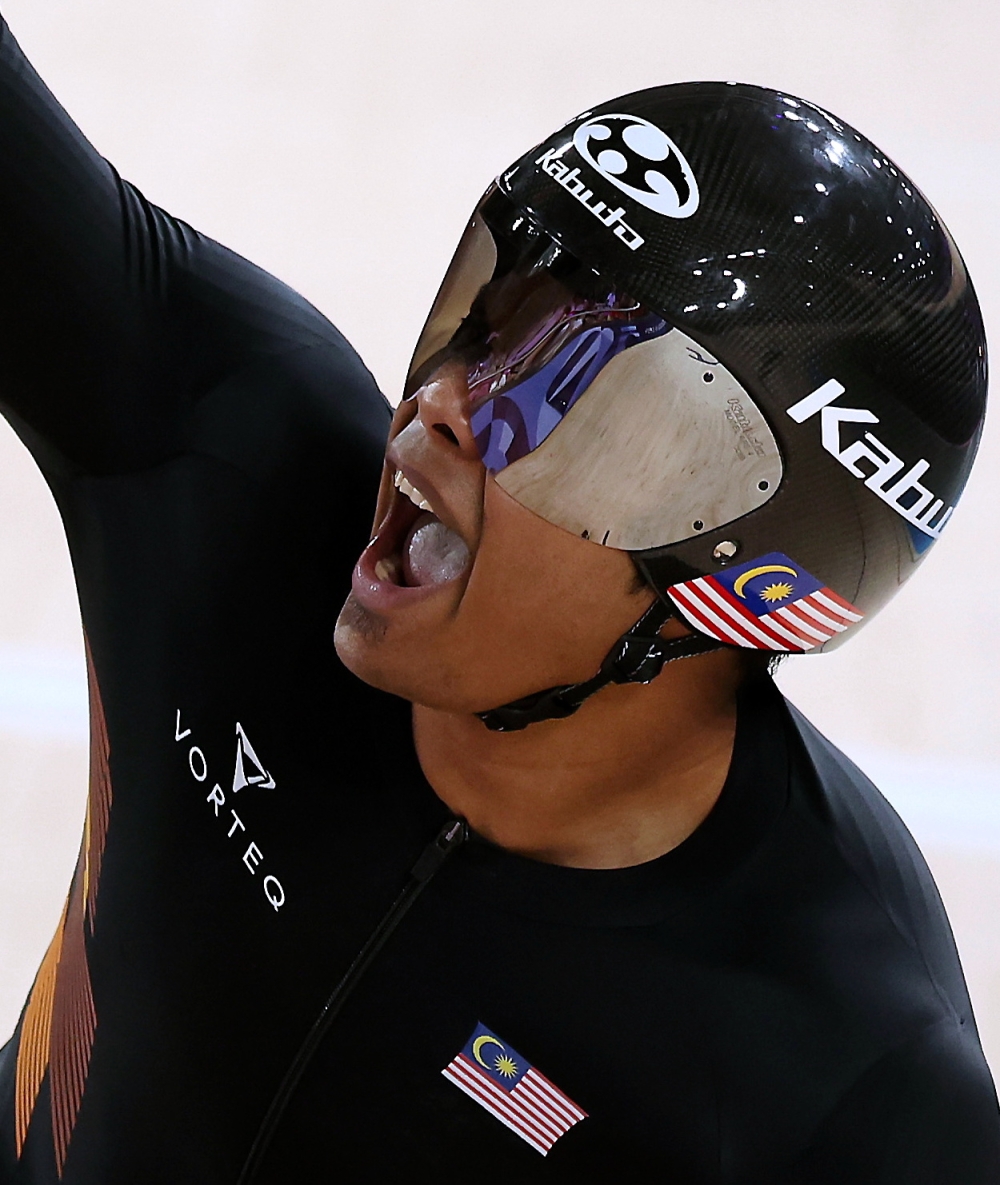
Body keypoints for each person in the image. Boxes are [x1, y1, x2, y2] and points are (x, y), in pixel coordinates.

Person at [0, 9, 996, 1181]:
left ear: (736, 587)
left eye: (575, 411)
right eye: (487, 320)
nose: (450, 406)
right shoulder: (228, 457)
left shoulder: (853, 1083)